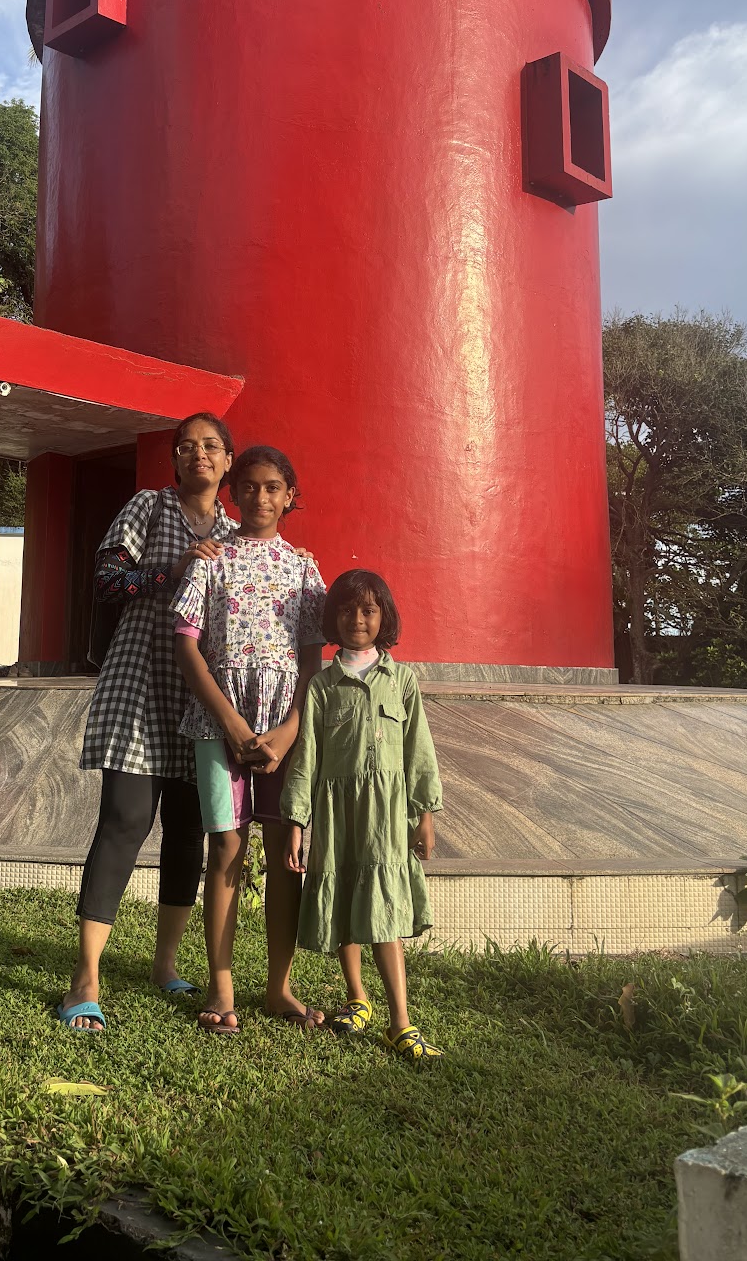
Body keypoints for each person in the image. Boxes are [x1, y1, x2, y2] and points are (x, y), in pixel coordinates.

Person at [56, 413, 238, 1033]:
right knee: (125, 821)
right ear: (175, 461)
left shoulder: (238, 535)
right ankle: (86, 975)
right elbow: (108, 580)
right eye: (186, 448)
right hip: (139, 683)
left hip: (199, 697)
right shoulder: (149, 508)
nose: (198, 456)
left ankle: (165, 964)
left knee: (189, 832)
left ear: (228, 461)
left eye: (210, 446)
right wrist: (174, 570)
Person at [172, 445, 327, 1035]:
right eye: (251, 487)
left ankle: (279, 987)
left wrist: (288, 731)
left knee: (286, 858)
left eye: (273, 488)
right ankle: (220, 982)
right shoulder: (210, 562)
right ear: (234, 494)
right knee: (226, 850)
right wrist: (234, 724)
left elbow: (313, 662)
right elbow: (188, 647)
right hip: (219, 726)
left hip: (286, 729)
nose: (261, 498)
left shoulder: (303, 568)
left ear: (290, 496)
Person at [282, 568, 445, 1060]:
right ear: (334, 617)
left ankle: (401, 1021)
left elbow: (420, 750)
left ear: (384, 618)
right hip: (335, 813)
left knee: (383, 913)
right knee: (344, 900)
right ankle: (358, 997)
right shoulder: (323, 687)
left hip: (387, 817)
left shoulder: (402, 681)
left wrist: (425, 814)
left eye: (369, 610)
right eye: (348, 610)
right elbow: (305, 755)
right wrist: (295, 822)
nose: (358, 619)